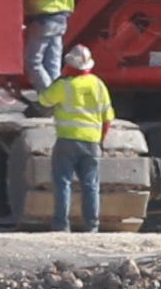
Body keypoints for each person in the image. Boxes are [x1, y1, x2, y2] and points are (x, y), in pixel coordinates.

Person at [37, 44, 114, 234]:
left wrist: (58, 80)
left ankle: (62, 225)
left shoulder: (65, 85)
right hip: (92, 142)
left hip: (67, 141)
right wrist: (100, 139)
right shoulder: (98, 84)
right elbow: (108, 118)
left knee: (63, 183)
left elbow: (43, 100)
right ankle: (92, 226)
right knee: (91, 185)